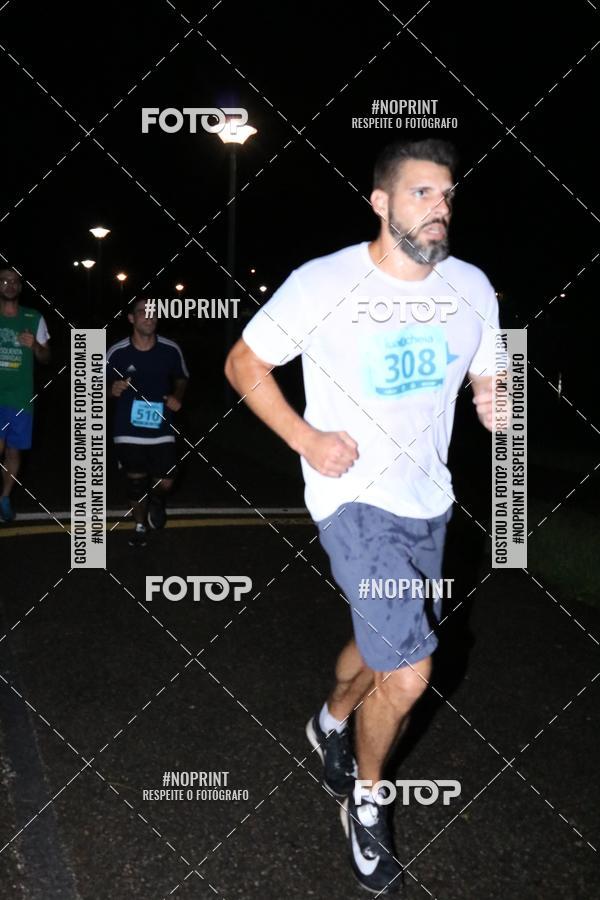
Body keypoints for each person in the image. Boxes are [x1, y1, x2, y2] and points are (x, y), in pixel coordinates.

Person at [225, 139, 499, 893]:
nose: (439, 208)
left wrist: (491, 394)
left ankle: (330, 720)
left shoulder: (472, 287)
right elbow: (244, 363)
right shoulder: (324, 283)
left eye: (446, 195)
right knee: (409, 671)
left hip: (427, 500)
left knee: (382, 637)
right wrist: (307, 439)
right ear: (380, 203)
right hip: (353, 499)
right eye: (420, 194)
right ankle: (367, 798)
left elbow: (490, 364)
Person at [107, 298, 189, 547]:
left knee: (166, 481)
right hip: (127, 429)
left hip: (162, 426)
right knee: (136, 481)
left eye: (153, 312)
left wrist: (177, 397)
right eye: (142, 312)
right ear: (131, 318)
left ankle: (156, 499)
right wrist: (112, 389)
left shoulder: (170, 349)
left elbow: (182, 378)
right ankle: (140, 527)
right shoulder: (117, 352)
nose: (149, 316)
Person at [0, 268, 51, 523]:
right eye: (4, 281)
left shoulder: (34, 317)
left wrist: (35, 346)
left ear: (20, 287)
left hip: (21, 397)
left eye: (14, 281)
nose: (9, 285)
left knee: (13, 453)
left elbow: (46, 357)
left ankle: (5, 497)